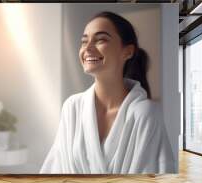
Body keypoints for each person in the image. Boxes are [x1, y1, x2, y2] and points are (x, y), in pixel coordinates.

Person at [40, 11, 177, 174]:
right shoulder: (72, 107)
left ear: (128, 51)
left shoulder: (145, 113)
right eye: (84, 41)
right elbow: (55, 169)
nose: (88, 48)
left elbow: (156, 182)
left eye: (101, 39)